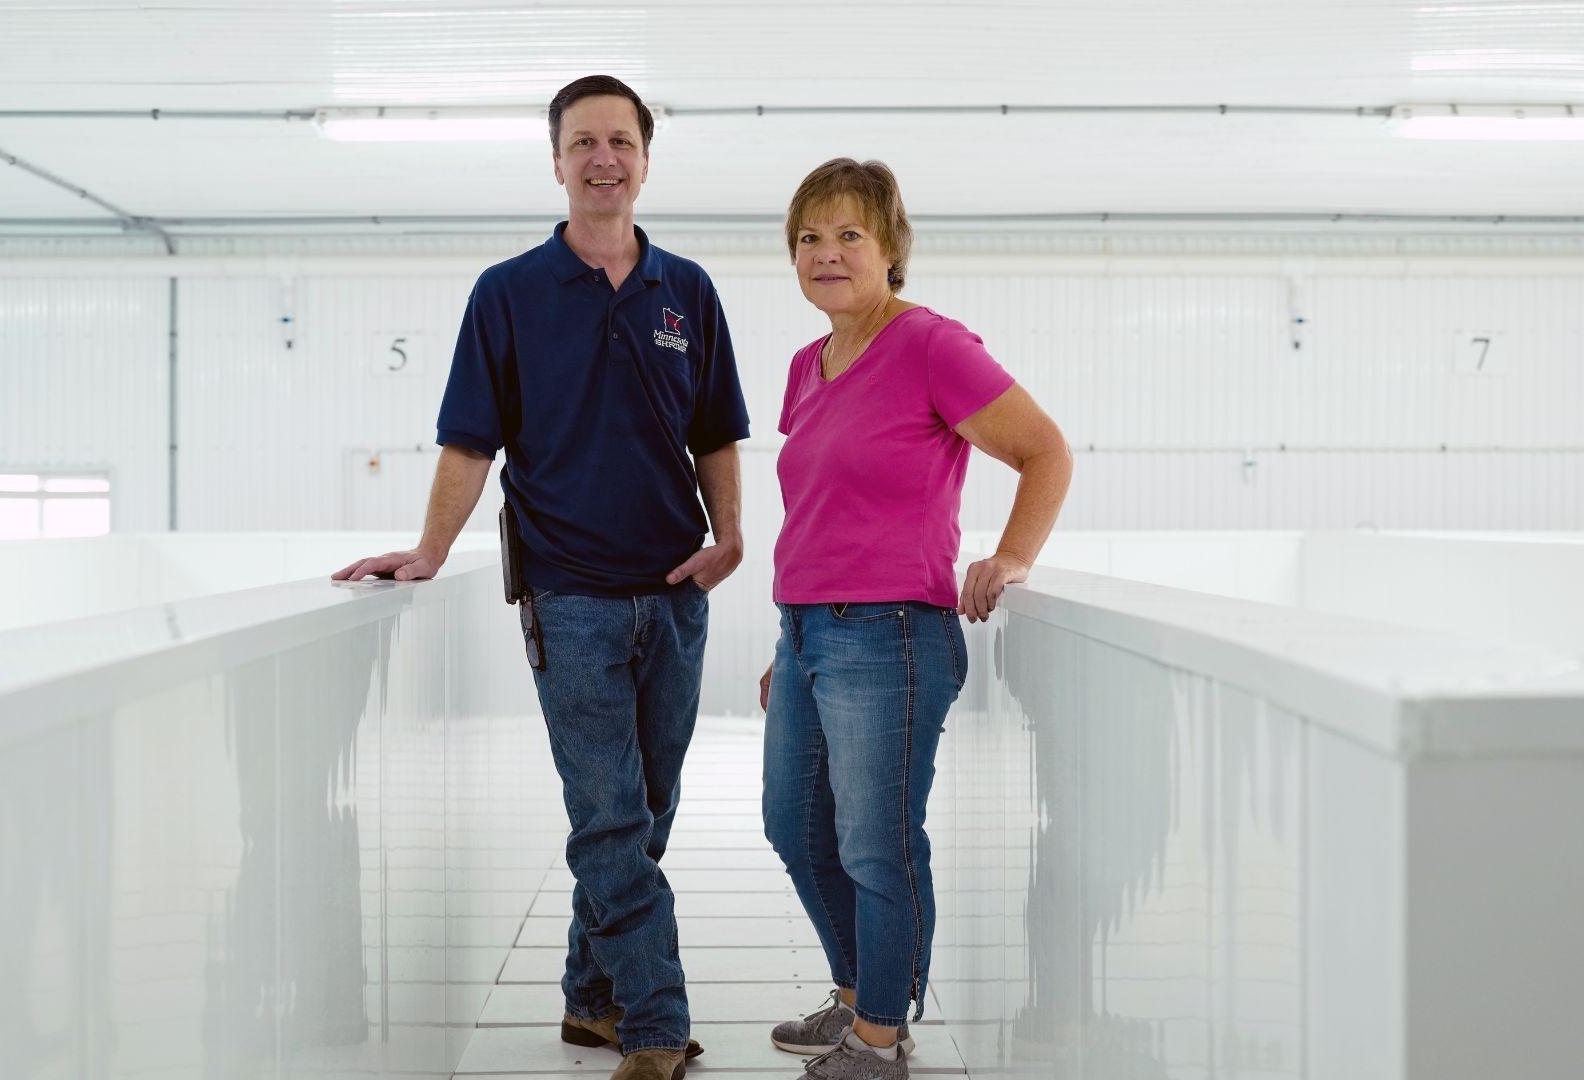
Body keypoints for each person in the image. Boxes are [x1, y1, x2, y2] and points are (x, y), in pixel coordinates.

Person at [333, 75, 750, 1080]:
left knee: (643, 812)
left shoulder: (685, 291)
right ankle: (653, 1026)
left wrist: (731, 536)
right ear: (556, 160)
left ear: (646, 158)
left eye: (620, 140)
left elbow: (718, 433)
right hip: (570, 600)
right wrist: (429, 550)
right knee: (609, 814)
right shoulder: (509, 293)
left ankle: (587, 997)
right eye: (582, 142)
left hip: (676, 595)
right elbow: (469, 444)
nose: (602, 157)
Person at [757, 158, 1071, 1079]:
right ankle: (858, 993)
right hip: (810, 630)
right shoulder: (804, 368)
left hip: (891, 634)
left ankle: (882, 1037)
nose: (827, 253)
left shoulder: (931, 344)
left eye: (850, 234)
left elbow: (1045, 450)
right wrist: (798, 636)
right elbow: (819, 506)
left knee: (875, 842)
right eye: (809, 238)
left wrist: (1011, 557)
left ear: (892, 250)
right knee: (792, 824)